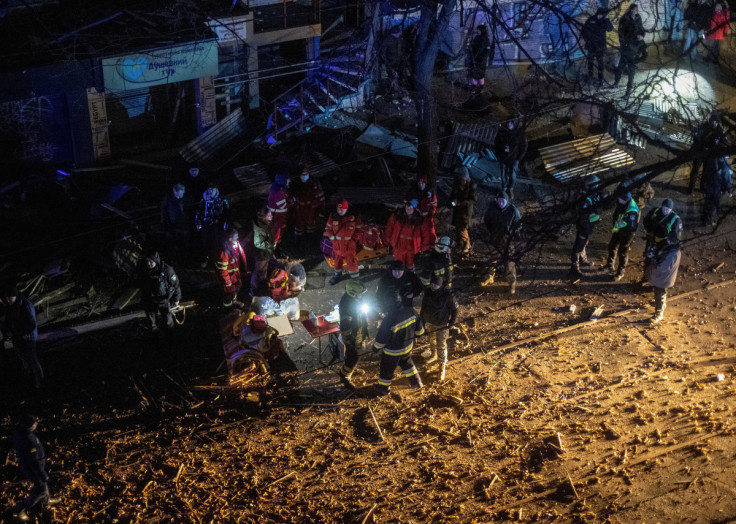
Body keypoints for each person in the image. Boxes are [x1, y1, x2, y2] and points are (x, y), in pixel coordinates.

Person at [373, 291, 424, 396]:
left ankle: (383, 388)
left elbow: (381, 339)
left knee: (387, 369)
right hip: (408, 347)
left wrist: (375, 348)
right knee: (407, 363)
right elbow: (420, 332)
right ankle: (417, 382)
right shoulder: (411, 311)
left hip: (393, 352)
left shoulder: (388, 320)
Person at [12, 414, 58, 520]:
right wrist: (42, 474)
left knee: (43, 486)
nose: (36, 424)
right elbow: (34, 462)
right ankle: (21, 508)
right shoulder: (29, 440)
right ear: (29, 426)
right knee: (40, 489)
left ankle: (46, 501)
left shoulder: (21, 432)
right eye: (34, 423)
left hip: (30, 466)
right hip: (33, 469)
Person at [644, 199, 683, 323]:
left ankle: (659, 312)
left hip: (665, 252)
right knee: (649, 268)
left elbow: (673, 239)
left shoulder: (675, 221)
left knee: (660, 284)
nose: (665, 211)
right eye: (664, 208)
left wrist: (656, 252)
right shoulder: (656, 212)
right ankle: (649, 282)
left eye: (668, 209)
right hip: (656, 245)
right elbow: (647, 221)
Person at [481, 190, 523, 294]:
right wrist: (492, 232)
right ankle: (489, 276)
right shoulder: (492, 209)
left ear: (507, 201)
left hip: (507, 239)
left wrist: (512, 233)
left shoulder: (513, 210)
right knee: (492, 259)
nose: (501, 203)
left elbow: (519, 224)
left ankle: (511, 283)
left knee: (509, 261)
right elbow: (487, 221)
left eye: (503, 200)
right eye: (499, 200)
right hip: (495, 237)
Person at [2, 285, 43, 389]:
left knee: (32, 360)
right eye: (6, 299)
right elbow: (8, 320)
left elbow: (31, 325)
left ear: (15, 296)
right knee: (24, 360)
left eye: (10, 298)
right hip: (18, 338)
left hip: (28, 338)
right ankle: (31, 380)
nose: (8, 300)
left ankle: (40, 382)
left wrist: (16, 333)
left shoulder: (26, 305)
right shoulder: (11, 305)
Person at [419, 276, 458, 381]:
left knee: (441, 344)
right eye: (432, 284)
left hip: (442, 324)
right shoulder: (428, 292)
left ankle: (442, 365)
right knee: (432, 340)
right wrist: (422, 323)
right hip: (430, 322)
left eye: (436, 285)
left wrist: (451, 323)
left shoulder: (448, 295)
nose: (433, 286)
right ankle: (433, 354)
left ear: (440, 285)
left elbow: (455, 309)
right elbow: (423, 308)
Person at [570, 175, 606, 279]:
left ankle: (583, 260)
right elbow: (583, 217)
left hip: (590, 225)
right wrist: (587, 229)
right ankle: (574, 268)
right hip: (584, 226)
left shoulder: (594, 195)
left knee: (584, 243)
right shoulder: (585, 198)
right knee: (578, 246)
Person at [337, 279, 370, 390]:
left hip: (358, 329)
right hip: (352, 333)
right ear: (353, 293)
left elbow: (361, 315)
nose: (361, 296)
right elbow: (345, 324)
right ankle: (344, 374)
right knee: (354, 355)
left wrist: (364, 330)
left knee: (358, 351)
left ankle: (349, 368)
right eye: (359, 294)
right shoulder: (346, 304)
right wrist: (349, 339)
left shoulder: (354, 299)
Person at [603, 191, 640, 281]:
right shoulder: (623, 203)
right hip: (618, 228)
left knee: (623, 253)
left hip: (627, 233)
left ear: (624, 199)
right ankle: (610, 265)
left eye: (619, 199)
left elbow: (631, 226)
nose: (618, 200)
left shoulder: (632, 210)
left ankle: (620, 272)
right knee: (612, 246)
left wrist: (620, 226)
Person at [140, 251, 181, 331]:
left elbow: (176, 284)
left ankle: (170, 335)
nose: (148, 263)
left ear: (156, 260)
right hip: (150, 300)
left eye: (151, 261)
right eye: (147, 261)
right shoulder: (144, 270)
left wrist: (177, 299)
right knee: (151, 323)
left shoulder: (167, 270)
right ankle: (155, 337)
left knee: (167, 322)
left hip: (164, 300)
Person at [613, 4, 646, 99]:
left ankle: (628, 92)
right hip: (626, 47)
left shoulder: (638, 18)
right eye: (636, 9)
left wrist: (641, 35)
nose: (637, 11)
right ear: (631, 10)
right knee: (620, 67)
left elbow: (641, 29)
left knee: (631, 73)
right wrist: (623, 43)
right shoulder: (625, 18)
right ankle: (616, 83)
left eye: (637, 9)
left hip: (635, 48)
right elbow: (621, 32)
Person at [324, 200, 359, 285]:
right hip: (338, 246)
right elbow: (328, 229)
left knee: (352, 263)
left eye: (342, 209)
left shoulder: (353, 218)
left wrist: (353, 240)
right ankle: (337, 276)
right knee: (337, 262)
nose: (340, 211)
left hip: (349, 246)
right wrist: (333, 239)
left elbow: (359, 230)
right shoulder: (333, 217)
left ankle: (355, 280)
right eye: (338, 209)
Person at [290, 164, 325, 248]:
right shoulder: (295, 183)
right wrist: (293, 206)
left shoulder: (314, 183)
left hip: (311, 208)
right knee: (299, 224)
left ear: (309, 173)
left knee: (311, 224)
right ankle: (298, 244)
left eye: (305, 174)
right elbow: (292, 196)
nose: (304, 176)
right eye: (302, 174)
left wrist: (321, 211)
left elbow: (321, 197)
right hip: (299, 208)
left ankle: (311, 243)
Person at [194, 185, 229, 268]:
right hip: (205, 223)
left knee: (216, 240)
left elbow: (227, 212)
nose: (210, 192)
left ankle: (216, 258)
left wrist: (226, 222)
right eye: (208, 189)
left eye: (211, 190)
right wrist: (198, 222)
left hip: (217, 224)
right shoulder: (203, 199)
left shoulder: (221, 199)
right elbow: (198, 211)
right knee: (204, 241)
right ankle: (204, 258)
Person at [494, 119, 528, 199]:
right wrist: (498, 155)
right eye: (508, 122)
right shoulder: (502, 132)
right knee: (503, 175)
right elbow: (496, 143)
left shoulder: (520, 134)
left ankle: (510, 188)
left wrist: (518, 160)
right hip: (503, 158)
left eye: (511, 123)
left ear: (515, 124)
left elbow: (524, 148)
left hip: (513, 159)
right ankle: (504, 189)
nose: (509, 125)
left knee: (512, 175)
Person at [385, 200, 423, 272]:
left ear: (414, 208)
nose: (408, 209)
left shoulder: (419, 218)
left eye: (411, 208)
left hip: (411, 245)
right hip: (399, 243)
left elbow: (424, 232)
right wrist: (388, 239)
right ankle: (399, 276)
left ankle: (409, 275)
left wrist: (423, 246)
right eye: (407, 207)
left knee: (410, 263)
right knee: (399, 263)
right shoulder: (397, 215)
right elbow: (390, 227)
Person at [215, 228, 247, 307]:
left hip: (235, 274)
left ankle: (233, 301)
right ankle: (228, 307)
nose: (238, 238)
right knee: (229, 292)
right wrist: (227, 281)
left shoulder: (235, 245)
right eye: (236, 236)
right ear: (230, 238)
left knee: (235, 289)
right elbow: (223, 269)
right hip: (229, 276)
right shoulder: (225, 251)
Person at [702, 148, 734, 227]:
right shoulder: (725, 167)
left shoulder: (710, 161)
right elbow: (727, 180)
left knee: (707, 202)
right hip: (718, 190)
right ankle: (708, 221)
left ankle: (704, 216)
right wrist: (730, 190)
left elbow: (704, 174)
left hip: (709, 187)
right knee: (714, 205)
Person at [449, 167, 477, 256]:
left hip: (465, 212)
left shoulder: (471, 186)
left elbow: (473, 200)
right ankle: (460, 244)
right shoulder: (457, 184)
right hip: (457, 211)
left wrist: (460, 203)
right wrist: (452, 202)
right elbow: (452, 195)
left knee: (463, 229)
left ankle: (466, 248)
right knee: (458, 229)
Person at [581, 8, 614, 84]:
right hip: (591, 46)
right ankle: (590, 77)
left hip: (600, 46)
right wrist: (587, 40)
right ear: (601, 13)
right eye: (605, 14)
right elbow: (584, 31)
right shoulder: (591, 19)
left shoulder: (604, 21)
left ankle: (600, 79)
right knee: (590, 63)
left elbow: (610, 29)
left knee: (600, 63)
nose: (606, 15)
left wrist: (606, 20)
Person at [248, 207, 276, 296]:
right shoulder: (259, 228)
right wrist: (270, 244)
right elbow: (258, 243)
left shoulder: (264, 223)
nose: (271, 216)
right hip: (261, 255)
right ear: (263, 217)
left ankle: (260, 289)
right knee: (259, 272)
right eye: (269, 215)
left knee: (262, 271)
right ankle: (254, 291)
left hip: (265, 253)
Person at [405, 176, 438, 251]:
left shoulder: (430, 191)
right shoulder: (412, 191)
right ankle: (420, 248)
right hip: (416, 216)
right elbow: (408, 203)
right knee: (417, 232)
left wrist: (432, 212)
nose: (421, 184)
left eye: (422, 182)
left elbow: (434, 203)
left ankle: (431, 246)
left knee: (430, 231)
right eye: (419, 182)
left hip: (427, 215)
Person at [160, 183, 189, 263]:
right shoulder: (168, 199)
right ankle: (171, 259)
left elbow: (189, 212)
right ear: (174, 192)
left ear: (183, 192)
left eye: (180, 193)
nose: (178, 195)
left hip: (183, 226)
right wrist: (164, 222)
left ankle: (182, 259)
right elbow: (163, 210)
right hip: (171, 225)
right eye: (177, 193)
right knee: (171, 243)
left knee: (182, 242)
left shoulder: (186, 200)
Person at [267, 173, 290, 247]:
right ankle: (272, 251)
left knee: (278, 233)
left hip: (278, 217)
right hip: (277, 217)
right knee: (276, 233)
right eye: (287, 180)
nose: (289, 181)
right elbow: (282, 205)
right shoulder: (278, 191)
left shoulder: (278, 188)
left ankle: (276, 248)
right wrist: (291, 202)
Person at [469, 24, 492, 92]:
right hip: (475, 59)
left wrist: (483, 57)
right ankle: (475, 87)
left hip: (481, 60)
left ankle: (480, 88)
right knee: (474, 73)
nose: (477, 31)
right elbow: (473, 47)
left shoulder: (485, 39)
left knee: (480, 74)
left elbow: (487, 50)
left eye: (479, 30)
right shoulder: (476, 38)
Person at [381, 25, 403, 95]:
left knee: (398, 75)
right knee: (392, 75)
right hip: (390, 61)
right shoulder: (387, 40)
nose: (400, 34)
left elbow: (401, 48)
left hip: (398, 60)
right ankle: (392, 90)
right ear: (394, 33)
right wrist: (386, 62)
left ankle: (398, 88)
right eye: (398, 33)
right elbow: (383, 53)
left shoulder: (399, 38)